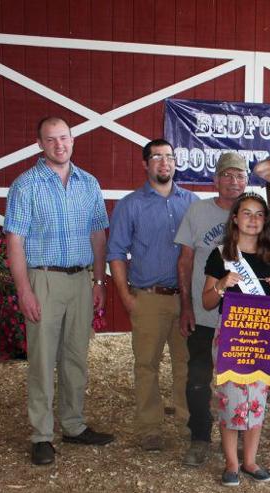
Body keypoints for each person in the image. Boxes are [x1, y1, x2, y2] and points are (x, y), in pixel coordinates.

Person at [5, 116, 114, 466]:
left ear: (73, 139)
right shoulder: (26, 185)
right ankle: (41, 435)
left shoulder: (89, 183)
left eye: (64, 138)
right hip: (44, 279)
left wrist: (99, 280)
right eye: (50, 140)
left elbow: (98, 234)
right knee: (41, 359)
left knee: (75, 357)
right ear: (40, 144)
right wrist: (24, 290)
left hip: (81, 279)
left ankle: (73, 425)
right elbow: (15, 241)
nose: (59, 145)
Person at [106, 139, 198, 451]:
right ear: (145, 164)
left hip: (186, 300)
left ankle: (191, 424)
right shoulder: (130, 205)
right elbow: (115, 253)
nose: (164, 163)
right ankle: (150, 429)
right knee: (147, 364)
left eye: (169, 157)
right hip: (148, 298)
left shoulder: (192, 202)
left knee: (187, 363)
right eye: (157, 157)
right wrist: (126, 297)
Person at [202, 193, 270, 486]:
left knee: (257, 402)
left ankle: (250, 461)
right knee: (230, 401)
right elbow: (207, 302)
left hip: (262, 338)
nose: (253, 219)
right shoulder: (221, 256)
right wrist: (222, 285)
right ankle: (231, 463)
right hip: (231, 336)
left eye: (259, 214)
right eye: (247, 213)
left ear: (265, 221)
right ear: (235, 218)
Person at [175, 152, 248, 466]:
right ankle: (200, 438)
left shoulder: (256, 213)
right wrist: (186, 307)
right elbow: (185, 261)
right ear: (215, 180)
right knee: (199, 377)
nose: (234, 182)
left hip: (244, 318)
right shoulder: (198, 211)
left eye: (240, 176)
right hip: (205, 312)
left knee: (243, 380)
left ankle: (241, 436)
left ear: (247, 181)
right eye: (227, 175)